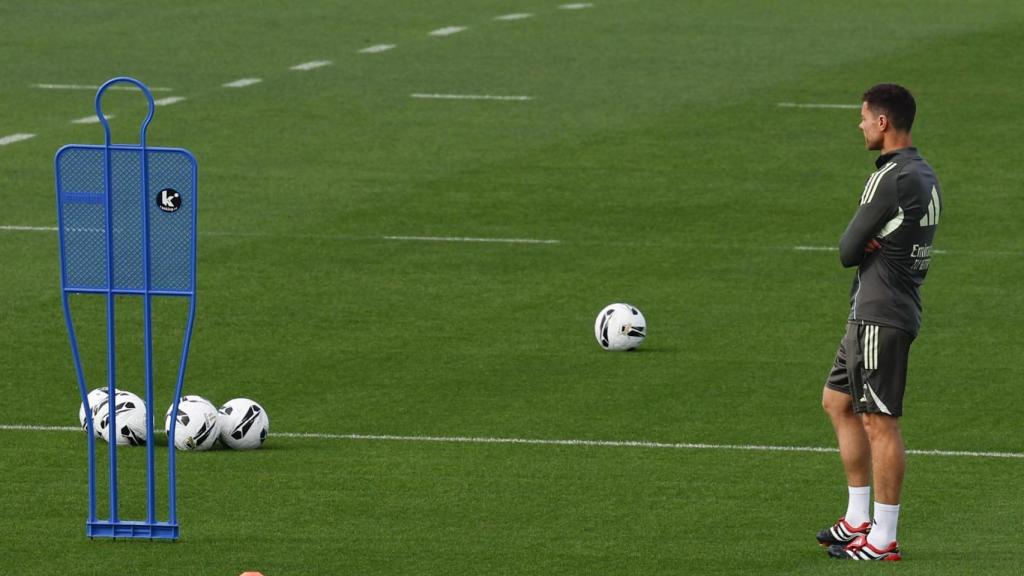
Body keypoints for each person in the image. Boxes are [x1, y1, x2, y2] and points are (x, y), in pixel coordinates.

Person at [817, 84, 942, 561]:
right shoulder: (923, 172)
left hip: (880, 312)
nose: (861, 124)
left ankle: (884, 538)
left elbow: (848, 249)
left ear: (883, 122)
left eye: (865, 117)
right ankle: (857, 518)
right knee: (838, 402)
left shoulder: (888, 177)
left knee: (879, 421)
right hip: (885, 308)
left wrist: (868, 241)